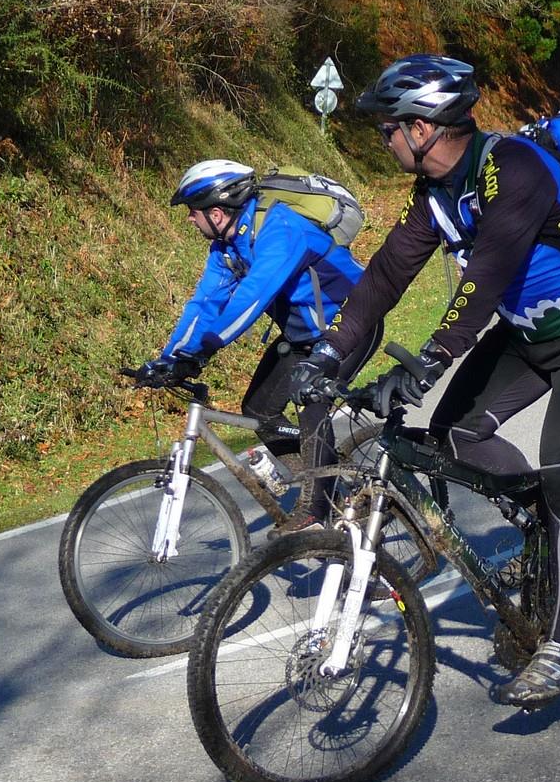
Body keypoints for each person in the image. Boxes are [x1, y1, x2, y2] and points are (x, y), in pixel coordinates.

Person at [287, 54, 560, 709]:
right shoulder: (435, 196)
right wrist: (327, 356)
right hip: (528, 333)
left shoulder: (514, 168)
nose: (384, 140)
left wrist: (423, 364)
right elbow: (383, 280)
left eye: (389, 129)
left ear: (422, 128)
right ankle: (549, 522)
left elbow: (485, 280)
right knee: (453, 436)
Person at [136, 159, 379, 527]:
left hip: (351, 324)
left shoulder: (281, 229)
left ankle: (316, 511)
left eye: (193, 211)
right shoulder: (228, 248)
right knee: (259, 411)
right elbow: (204, 304)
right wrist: (171, 358)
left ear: (216, 213)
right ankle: (328, 486)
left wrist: (204, 350)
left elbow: (251, 298)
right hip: (304, 336)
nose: (189, 219)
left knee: (311, 402)